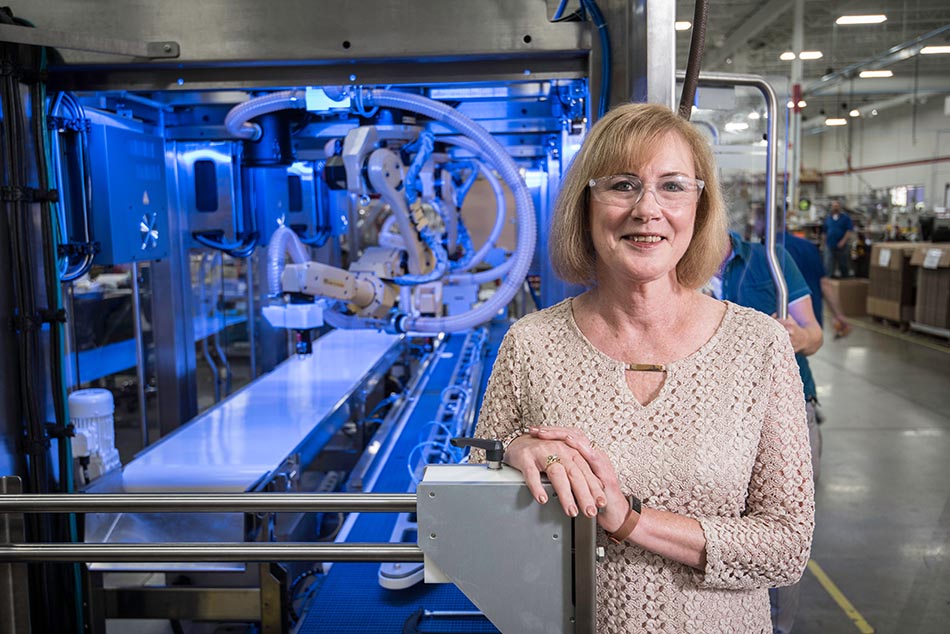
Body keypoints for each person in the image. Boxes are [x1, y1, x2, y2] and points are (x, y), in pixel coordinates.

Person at [471, 103, 815, 633]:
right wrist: (514, 453)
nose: (647, 209)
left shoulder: (759, 346)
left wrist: (630, 519)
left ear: (700, 206)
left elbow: (787, 547)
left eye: (673, 186)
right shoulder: (531, 345)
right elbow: (471, 509)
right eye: (622, 185)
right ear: (586, 205)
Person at [711, 230, 824, 634]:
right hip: (711, 417)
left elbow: (814, 334)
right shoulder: (670, 261)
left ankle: (775, 629)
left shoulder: (770, 260)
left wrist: (794, 336)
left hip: (785, 412)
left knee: (778, 533)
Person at [822, 200, 853, 278]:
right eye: (834, 206)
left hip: (842, 245)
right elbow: (824, 232)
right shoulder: (828, 218)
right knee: (828, 264)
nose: (835, 207)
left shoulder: (845, 218)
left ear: (840, 207)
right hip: (829, 245)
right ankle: (829, 280)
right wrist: (823, 243)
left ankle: (844, 281)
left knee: (843, 264)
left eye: (837, 206)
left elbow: (849, 231)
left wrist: (843, 241)